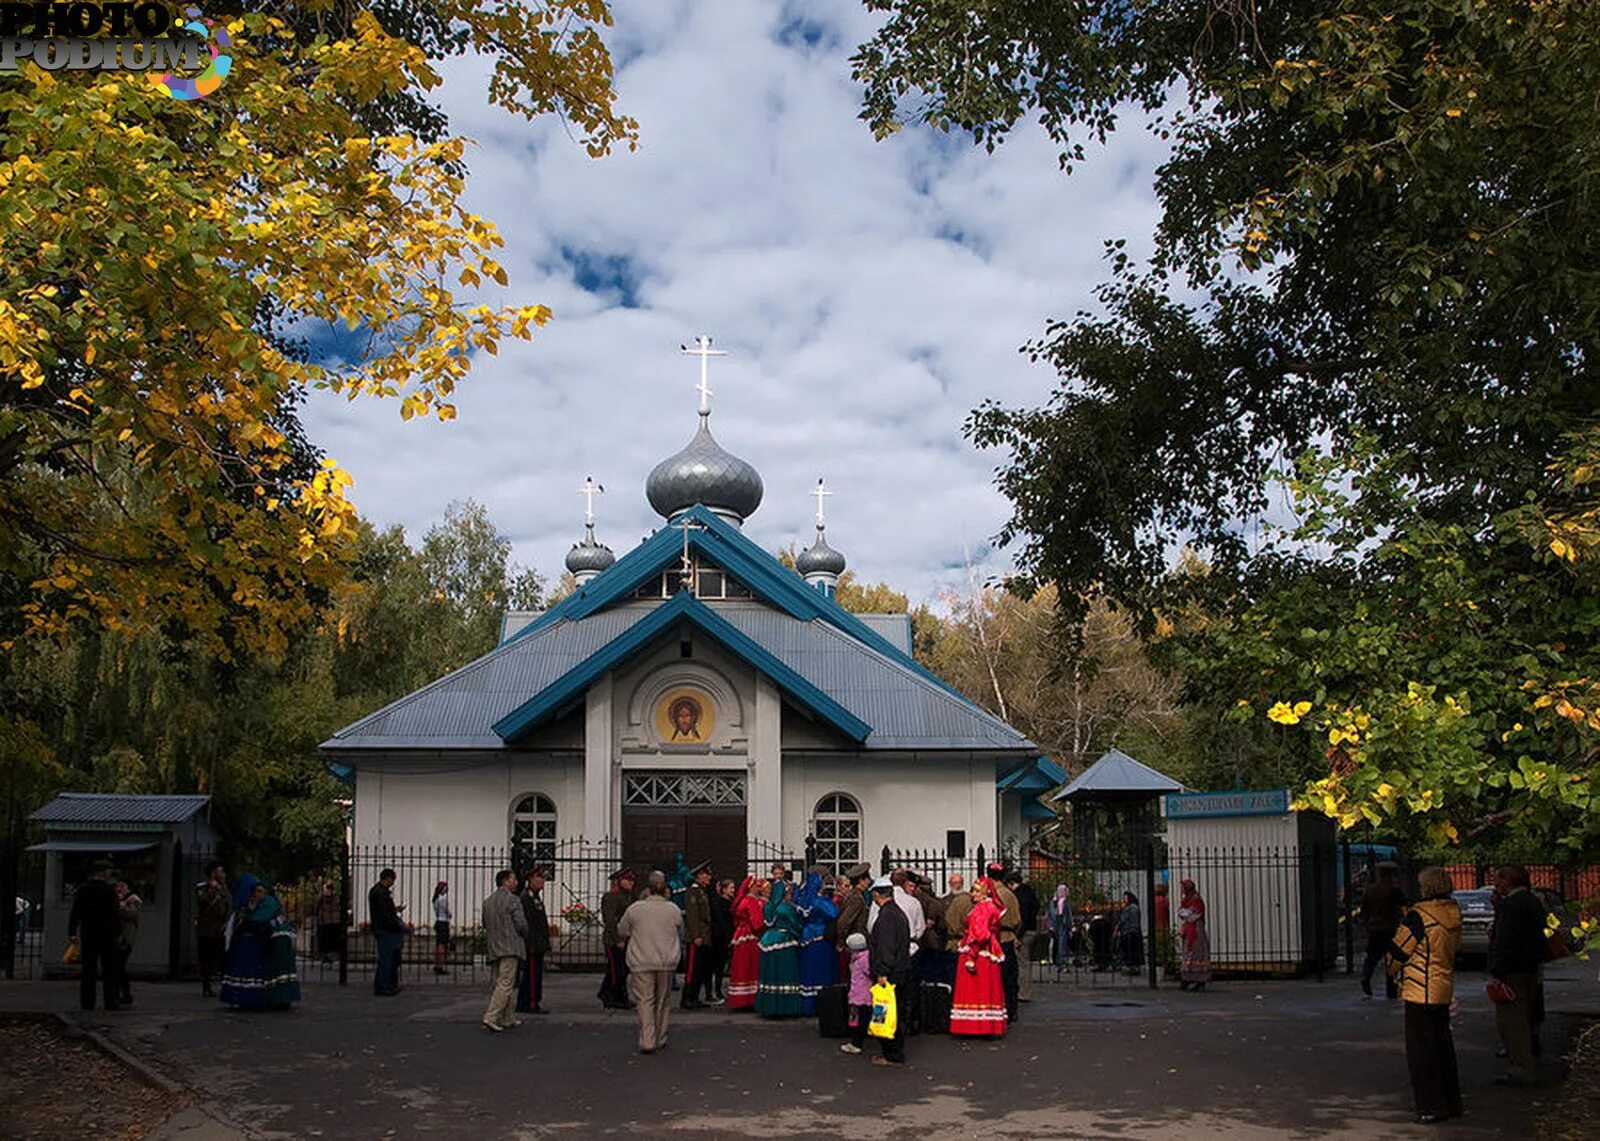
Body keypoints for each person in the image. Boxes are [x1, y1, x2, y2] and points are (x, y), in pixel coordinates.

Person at [1388, 866, 1463, 1124]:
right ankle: (1451, 1102)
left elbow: (1399, 950)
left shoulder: (1419, 916)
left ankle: (1431, 1105)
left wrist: (1392, 969)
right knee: (1443, 1048)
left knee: (1422, 1052)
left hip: (1420, 989)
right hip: (1443, 985)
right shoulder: (1452, 912)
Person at [1489, 864, 1547, 1087]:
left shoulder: (1512, 905)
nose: (1495, 884)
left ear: (1508, 881)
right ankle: (1525, 1062)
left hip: (1513, 969)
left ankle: (1521, 1069)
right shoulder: (1532, 901)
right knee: (1526, 1016)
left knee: (1513, 1022)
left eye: (1498, 880)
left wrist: (1497, 968)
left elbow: (1506, 941)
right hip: (1530, 966)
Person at [619, 870, 685, 1054]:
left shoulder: (635, 908)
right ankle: (660, 1037)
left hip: (641, 959)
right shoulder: (673, 909)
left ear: (648, 889)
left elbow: (622, 929)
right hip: (666, 960)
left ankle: (647, 1039)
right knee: (663, 1001)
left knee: (645, 1001)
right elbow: (681, 931)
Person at [219, 875, 301, 1010]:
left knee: (278, 972)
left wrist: (249, 915)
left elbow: (257, 920)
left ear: (266, 892)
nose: (256, 894)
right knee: (273, 973)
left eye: (259, 891)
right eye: (255, 891)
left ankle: (280, 999)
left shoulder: (269, 902)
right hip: (271, 942)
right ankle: (275, 999)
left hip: (278, 942)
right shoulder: (257, 903)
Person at [950, 879, 1008, 1037]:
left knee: (975, 990)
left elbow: (980, 935)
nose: (973, 894)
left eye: (976, 891)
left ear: (985, 893)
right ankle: (987, 1025)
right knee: (987, 989)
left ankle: (973, 1026)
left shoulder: (983, 909)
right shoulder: (990, 907)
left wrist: (971, 955)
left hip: (978, 953)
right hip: (988, 952)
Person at [866, 876, 911, 1067]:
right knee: (893, 1012)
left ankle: (892, 1053)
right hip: (900, 969)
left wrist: (882, 972)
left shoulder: (886, 917)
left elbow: (886, 947)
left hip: (889, 973)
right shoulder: (897, 913)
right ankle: (892, 1051)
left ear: (877, 894)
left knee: (886, 1013)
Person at [68, 859, 122, 1012]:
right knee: (109, 969)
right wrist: (118, 932)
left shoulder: (83, 890)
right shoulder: (109, 890)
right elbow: (114, 913)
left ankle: (87, 1002)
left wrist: (72, 931)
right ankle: (110, 1001)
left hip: (89, 932)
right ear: (103, 872)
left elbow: (76, 912)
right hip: (107, 933)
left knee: (88, 969)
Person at [481, 869, 526, 1033]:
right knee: (506, 983)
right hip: (510, 946)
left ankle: (508, 1017)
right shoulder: (513, 900)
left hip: (494, 946)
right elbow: (520, 923)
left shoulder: (488, 901)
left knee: (498, 982)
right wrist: (523, 933)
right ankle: (491, 1016)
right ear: (505, 881)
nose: (516, 882)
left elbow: (485, 923)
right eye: (513, 879)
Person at [757, 876, 804, 1016]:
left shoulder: (770, 906)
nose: (791, 896)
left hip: (769, 939)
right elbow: (794, 925)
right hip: (784, 941)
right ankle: (785, 1007)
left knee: (771, 973)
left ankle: (770, 1006)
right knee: (784, 972)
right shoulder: (786, 908)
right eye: (789, 893)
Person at [1359, 863, 1407, 999]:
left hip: (1374, 928)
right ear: (1392, 874)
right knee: (1390, 959)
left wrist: (1367, 923)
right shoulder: (1394, 889)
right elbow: (1403, 903)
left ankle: (1366, 976)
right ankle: (1391, 988)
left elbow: (1364, 910)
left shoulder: (1370, 889)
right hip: (1390, 928)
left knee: (1372, 956)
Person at [795, 870, 838, 1014]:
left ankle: (808, 1003)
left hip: (807, 936)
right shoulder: (820, 901)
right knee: (821, 970)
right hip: (820, 937)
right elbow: (833, 914)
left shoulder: (805, 901)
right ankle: (821, 1004)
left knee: (809, 970)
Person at [598, 868, 636, 1010]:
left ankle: (607, 993)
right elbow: (610, 920)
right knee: (617, 970)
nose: (631, 883)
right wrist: (617, 938)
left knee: (622, 969)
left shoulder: (628, 896)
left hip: (625, 938)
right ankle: (617, 996)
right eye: (628, 880)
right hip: (614, 940)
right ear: (620, 881)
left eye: (632, 880)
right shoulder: (612, 896)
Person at [987, 863, 1021, 1021]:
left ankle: (999, 1009)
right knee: (1010, 977)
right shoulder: (1010, 895)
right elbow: (1018, 920)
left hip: (996, 939)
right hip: (1009, 937)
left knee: (997, 978)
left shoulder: (992, 896)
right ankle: (1011, 1008)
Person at [727, 877, 766, 1009]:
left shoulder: (743, 900)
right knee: (750, 965)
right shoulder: (752, 901)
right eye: (756, 886)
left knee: (741, 965)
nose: (758, 888)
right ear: (751, 887)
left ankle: (741, 997)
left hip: (741, 934)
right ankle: (750, 998)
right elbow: (757, 923)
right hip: (751, 936)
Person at [517, 868, 552, 1015]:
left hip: (538, 943)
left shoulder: (535, 897)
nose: (542, 881)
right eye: (539, 878)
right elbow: (528, 923)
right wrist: (531, 944)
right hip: (532, 944)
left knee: (535, 974)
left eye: (543, 878)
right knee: (531, 975)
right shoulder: (526, 898)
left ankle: (530, 1001)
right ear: (530, 880)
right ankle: (530, 1003)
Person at [194, 860, 231, 997]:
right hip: (206, 929)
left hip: (220, 929)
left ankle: (225, 984)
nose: (223, 874)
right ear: (213, 873)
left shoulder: (224, 888)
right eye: (221, 871)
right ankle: (206, 986)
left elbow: (228, 905)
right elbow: (203, 902)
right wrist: (213, 889)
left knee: (222, 958)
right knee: (206, 959)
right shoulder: (202, 887)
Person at [368, 869, 408, 996]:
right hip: (386, 930)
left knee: (389, 959)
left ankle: (386, 985)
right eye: (392, 880)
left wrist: (394, 909)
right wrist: (398, 924)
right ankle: (385, 986)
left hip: (384, 928)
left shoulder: (377, 891)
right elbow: (384, 913)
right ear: (388, 878)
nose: (393, 883)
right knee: (387, 959)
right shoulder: (381, 892)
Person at [681, 862, 712, 1009]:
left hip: (704, 935)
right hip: (697, 936)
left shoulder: (702, 891)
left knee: (700, 968)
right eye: (707, 874)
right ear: (699, 876)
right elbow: (693, 916)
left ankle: (694, 997)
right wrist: (696, 935)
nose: (709, 877)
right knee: (692, 968)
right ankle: (687, 998)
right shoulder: (692, 892)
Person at [1006, 871, 1040, 1002]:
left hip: (1023, 933)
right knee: (1025, 962)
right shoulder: (1029, 892)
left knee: (1022, 963)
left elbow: (1022, 918)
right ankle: (1023, 991)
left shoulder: (1019, 896)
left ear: (1012, 884)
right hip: (1032, 930)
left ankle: (1023, 993)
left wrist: (1017, 937)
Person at [839, 931, 873, 1055]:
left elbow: (869, 972)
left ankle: (857, 1043)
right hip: (861, 994)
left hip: (862, 995)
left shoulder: (861, 960)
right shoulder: (863, 957)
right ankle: (857, 1040)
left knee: (861, 1020)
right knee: (861, 1019)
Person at [1177, 878, 1211, 991]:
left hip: (1196, 930)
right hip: (1190, 930)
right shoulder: (1187, 899)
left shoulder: (1196, 899)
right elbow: (1182, 912)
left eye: (1183, 888)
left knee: (1196, 954)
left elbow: (1191, 915)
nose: (1181, 890)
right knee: (1189, 953)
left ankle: (1198, 979)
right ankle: (1187, 978)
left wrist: (1184, 913)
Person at [708, 877, 735, 1003]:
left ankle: (719, 991)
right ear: (723, 889)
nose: (733, 890)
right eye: (730, 888)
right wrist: (728, 937)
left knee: (723, 966)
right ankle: (715, 991)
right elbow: (721, 921)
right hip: (720, 938)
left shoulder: (731, 901)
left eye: (733, 888)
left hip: (729, 936)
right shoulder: (718, 902)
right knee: (718, 966)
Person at [114, 880, 141, 1007]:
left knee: (119, 967)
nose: (119, 888)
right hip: (117, 938)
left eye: (122, 886)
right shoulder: (116, 899)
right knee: (117, 968)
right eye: (118, 886)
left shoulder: (133, 900)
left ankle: (125, 994)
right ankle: (121, 993)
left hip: (125, 939)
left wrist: (121, 905)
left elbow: (131, 914)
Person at [315, 879, 343, 967]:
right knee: (334, 939)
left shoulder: (322, 895)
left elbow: (317, 906)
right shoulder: (336, 895)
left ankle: (325, 955)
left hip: (326, 919)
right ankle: (334, 955)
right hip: (336, 920)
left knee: (324, 938)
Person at [1113, 892, 1142, 974]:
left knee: (1128, 951)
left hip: (1128, 931)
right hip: (1135, 931)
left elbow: (1122, 920)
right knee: (1134, 951)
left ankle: (1130, 967)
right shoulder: (1136, 907)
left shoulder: (1129, 909)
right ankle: (1134, 967)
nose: (1124, 900)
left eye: (1125, 898)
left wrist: (1117, 928)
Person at [1046, 883, 1071, 969]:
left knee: (1062, 944)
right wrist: (1050, 925)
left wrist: (1070, 926)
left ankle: (1062, 963)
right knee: (1057, 944)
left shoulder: (1065, 901)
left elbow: (1068, 914)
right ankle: (1057, 962)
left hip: (1062, 923)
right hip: (1055, 923)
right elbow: (1049, 914)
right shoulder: (1053, 901)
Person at [431, 881, 452, 976]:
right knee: (442, 944)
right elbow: (448, 912)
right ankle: (440, 965)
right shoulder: (444, 899)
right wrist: (450, 915)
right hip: (443, 922)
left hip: (438, 921)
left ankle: (437, 964)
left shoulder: (435, 899)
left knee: (439, 943)